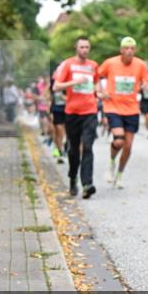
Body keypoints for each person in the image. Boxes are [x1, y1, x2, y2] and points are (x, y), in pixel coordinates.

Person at [97, 36, 148, 189]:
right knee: (119, 141)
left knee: (128, 146)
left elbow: (146, 80)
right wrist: (100, 93)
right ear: (121, 50)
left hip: (132, 109)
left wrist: (146, 85)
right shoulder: (110, 63)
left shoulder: (140, 64)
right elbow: (96, 76)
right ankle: (111, 163)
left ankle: (119, 175)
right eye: (126, 48)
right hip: (113, 107)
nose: (129, 51)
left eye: (132, 49)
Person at [54, 36, 100, 198]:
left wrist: (100, 93)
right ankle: (73, 177)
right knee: (74, 150)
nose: (85, 50)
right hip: (72, 112)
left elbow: (95, 84)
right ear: (76, 47)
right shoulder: (67, 64)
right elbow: (56, 86)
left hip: (90, 111)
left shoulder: (93, 65)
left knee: (87, 146)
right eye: (82, 47)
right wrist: (73, 82)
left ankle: (87, 184)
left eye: (87, 47)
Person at [49, 66, 67, 163]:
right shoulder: (52, 82)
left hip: (68, 108)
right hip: (57, 109)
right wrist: (50, 111)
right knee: (58, 130)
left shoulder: (69, 80)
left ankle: (64, 147)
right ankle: (59, 150)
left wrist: (65, 98)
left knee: (66, 131)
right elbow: (51, 96)